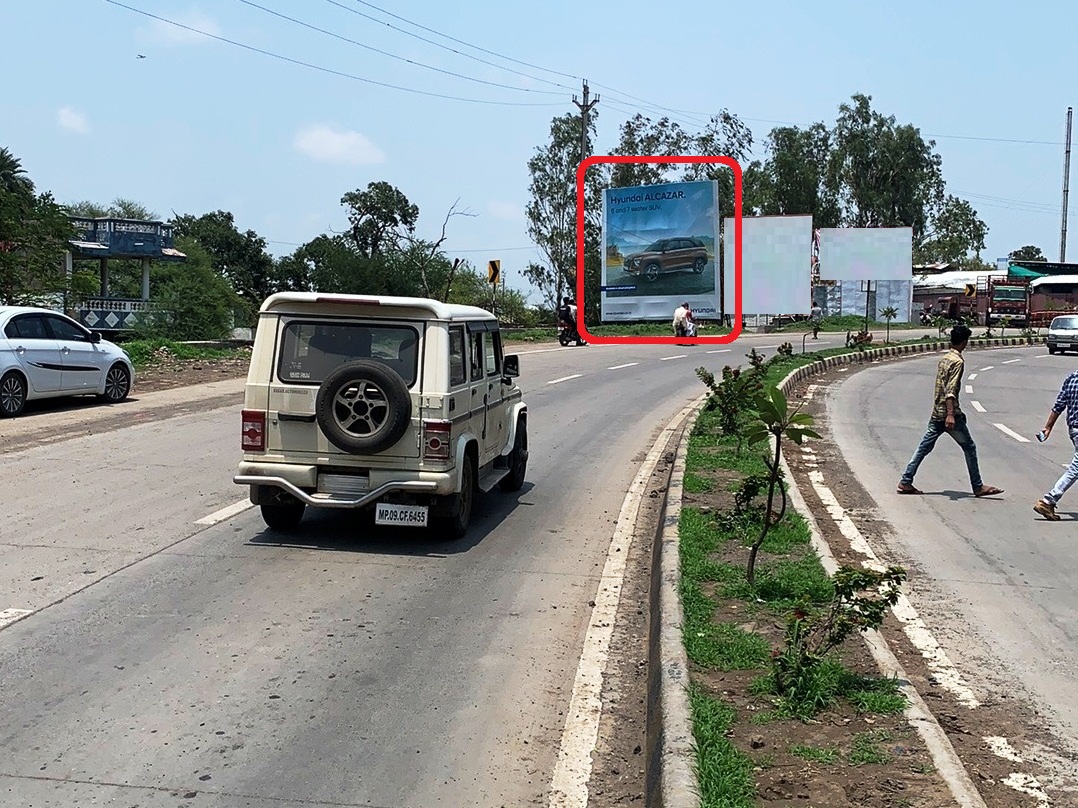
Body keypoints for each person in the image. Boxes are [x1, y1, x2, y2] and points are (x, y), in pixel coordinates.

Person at [896, 324, 1004, 498]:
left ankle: (906, 480)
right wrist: (951, 415)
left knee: (924, 447)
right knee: (969, 447)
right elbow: (950, 391)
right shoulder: (957, 362)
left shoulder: (945, 359)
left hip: (936, 413)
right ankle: (978, 486)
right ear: (964, 342)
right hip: (949, 414)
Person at [1032, 369, 1078, 520]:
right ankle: (1049, 500)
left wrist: (1048, 426)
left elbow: (1059, 405)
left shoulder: (1072, 378)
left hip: (1074, 430)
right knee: (1075, 468)